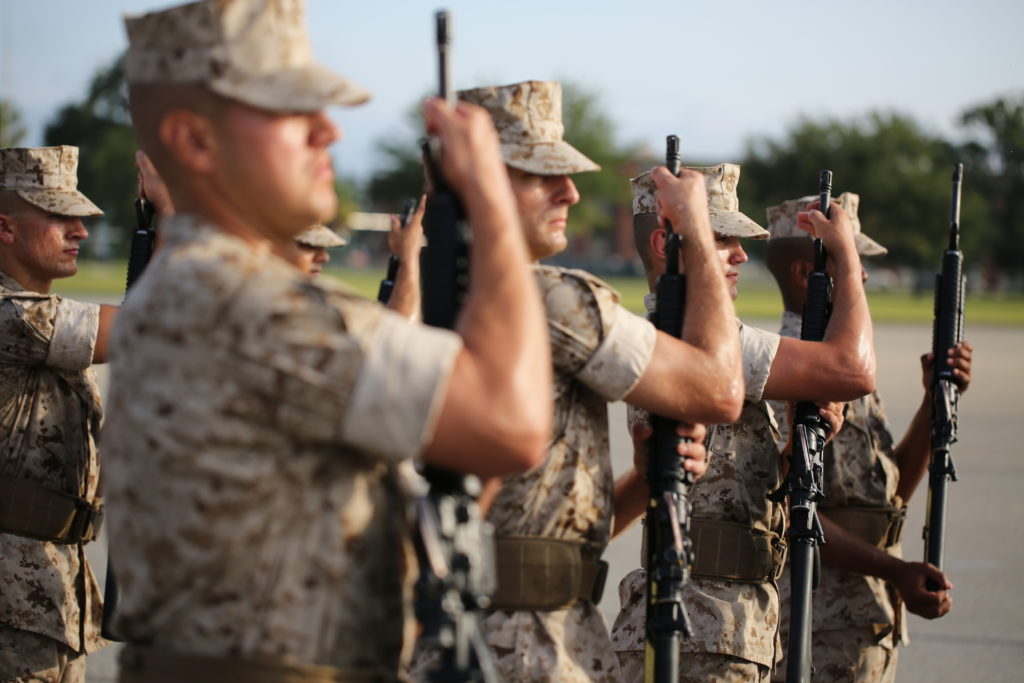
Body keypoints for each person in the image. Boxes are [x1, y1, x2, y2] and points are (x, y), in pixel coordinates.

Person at [102, 1, 552, 680]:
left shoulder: (192, 288)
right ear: (195, 141)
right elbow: (511, 423)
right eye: (290, 111)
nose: (328, 130)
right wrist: (491, 196)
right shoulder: (244, 304)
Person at [413, 80, 745, 683]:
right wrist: (696, 231)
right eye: (540, 175)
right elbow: (719, 389)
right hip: (534, 648)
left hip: (451, 639)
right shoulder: (554, 300)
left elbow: (535, 533)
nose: (568, 190)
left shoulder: (413, 303)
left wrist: (644, 483)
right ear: (475, 175)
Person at [610, 167, 875, 683]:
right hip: (709, 626)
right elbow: (853, 369)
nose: (740, 255)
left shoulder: (666, 334)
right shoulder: (712, 342)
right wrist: (845, 256)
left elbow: (724, 485)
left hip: (725, 620)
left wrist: (794, 450)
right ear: (668, 242)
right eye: (722, 238)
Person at [765, 193, 971, 682]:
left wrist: (935, 401)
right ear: (804, 274)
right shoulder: (788, 372)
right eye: (850, 259)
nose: (864, 275)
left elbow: (887, 492)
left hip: (864, 618)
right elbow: (796, 513)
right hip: (816, 625)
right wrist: (894, 571)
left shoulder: (845, 368)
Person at [0, 145, 113, 682]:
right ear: (5, 227)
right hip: (11, 604)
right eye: (58, 215)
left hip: (48, 593)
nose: (81, 231)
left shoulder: (41, 323)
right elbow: (156, 323)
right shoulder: (13, 319)